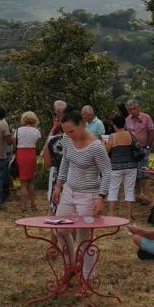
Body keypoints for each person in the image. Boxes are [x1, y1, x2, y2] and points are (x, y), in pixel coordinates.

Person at [52, 110, 112, 280]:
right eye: (66, 132)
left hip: (89, 195)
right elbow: (65, 162)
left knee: (84, 237)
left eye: (71, 131)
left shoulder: (96, 146)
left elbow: (107, 172)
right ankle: (70, 266)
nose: (69, 135)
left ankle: (88, 277)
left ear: (82, 124)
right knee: (60, 229)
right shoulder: (68, 140)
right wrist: (58, 186)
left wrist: (101, 197)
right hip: (69, 191)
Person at [105, 113, 138, 219]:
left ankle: (111, 214)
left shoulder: (113, 136)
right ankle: (128, 215)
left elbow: (107, 151)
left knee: (113, 189)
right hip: (131, 165)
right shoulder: (131, 134)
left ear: (114, 125)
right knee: (129, 190)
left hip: (116, 167)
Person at [125, 100, 154, 204]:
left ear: (138, 108)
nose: (132, 111)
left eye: (134, 108)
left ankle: (146, 196)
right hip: (132, 150)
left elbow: (152, 131)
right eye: (130, 109)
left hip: (143, 149)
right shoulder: (127, 120)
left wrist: (148, 146)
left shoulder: (146, 117)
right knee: (134, 173)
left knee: (144, 173)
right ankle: (138, 195)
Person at [14, 111, 41, 212]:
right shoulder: (36, 131)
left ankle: (23, 206)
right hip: (31, 153)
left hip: (21, 153)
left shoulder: (18, 130)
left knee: (23, 182)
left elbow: (14, 143)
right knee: (31, 181)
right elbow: (37, 143)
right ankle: (33, 204)